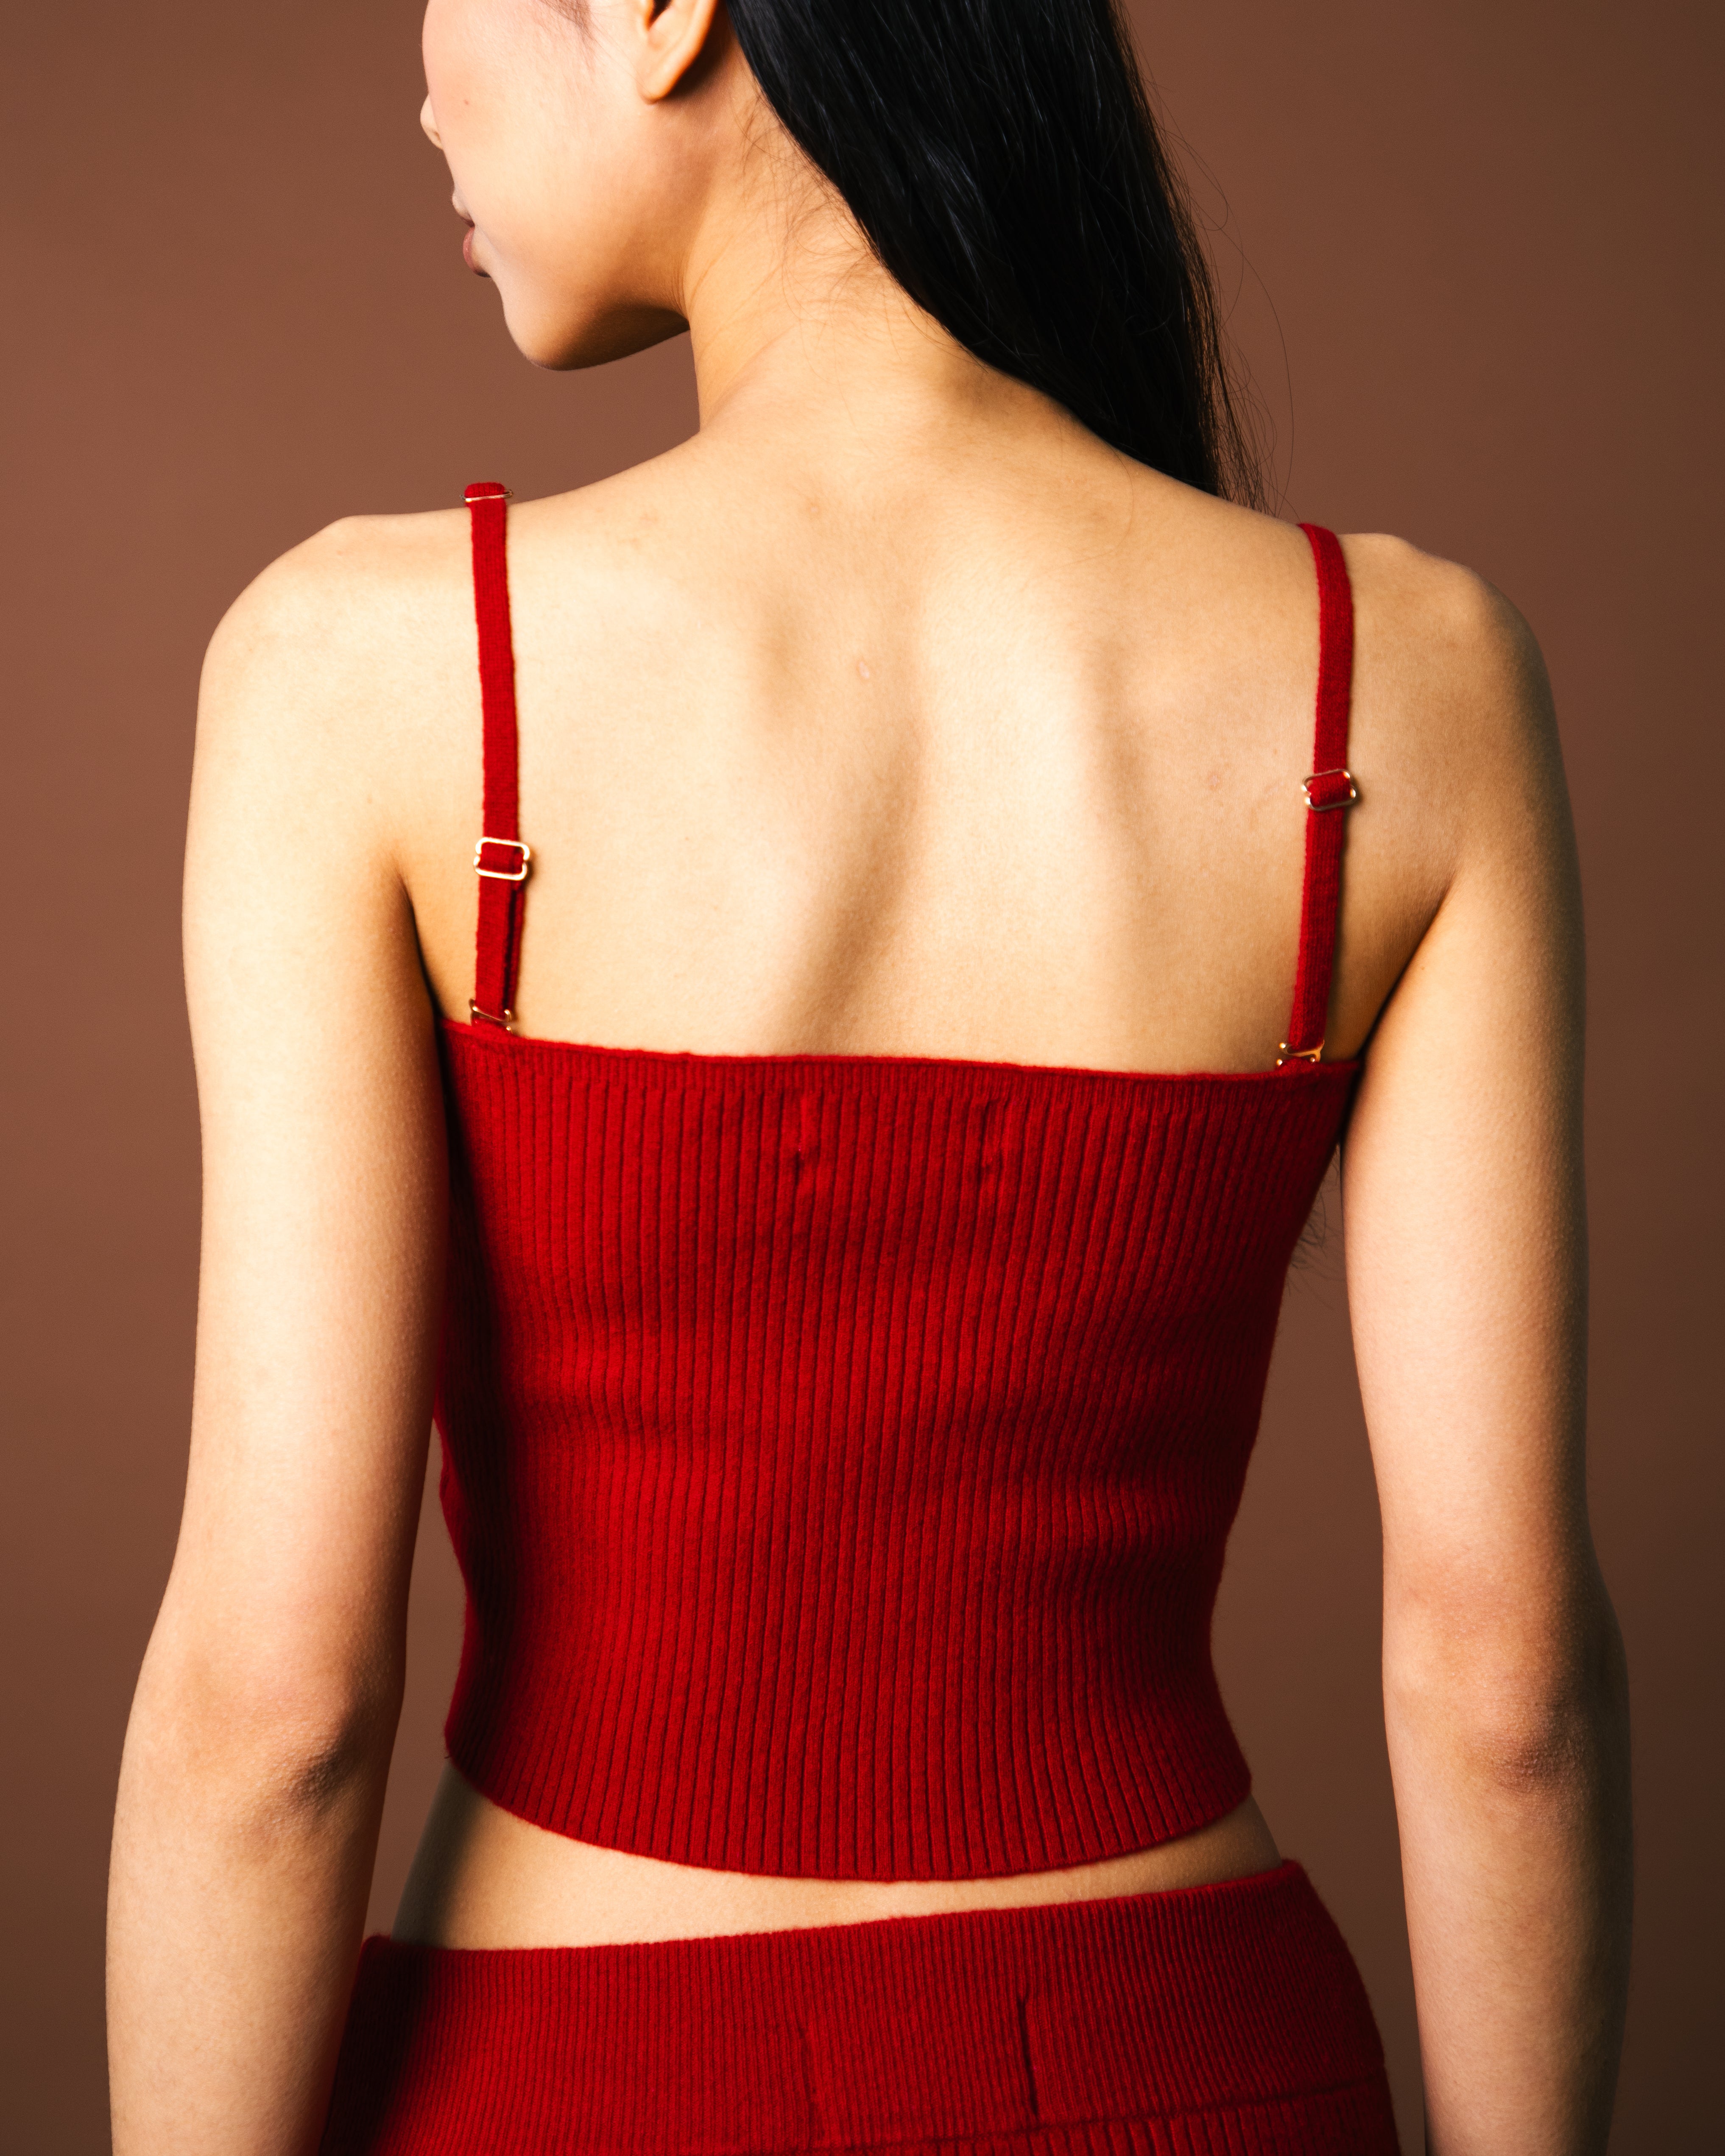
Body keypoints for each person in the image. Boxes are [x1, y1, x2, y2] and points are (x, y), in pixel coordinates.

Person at [105, 0, 1633, 2149]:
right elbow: (1505, 1691)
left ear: (665, 9)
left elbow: (273, 1717)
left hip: (577, 2095)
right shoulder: (1405, 683)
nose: (423, 76)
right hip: (1198, 2074)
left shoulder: (361, 674)